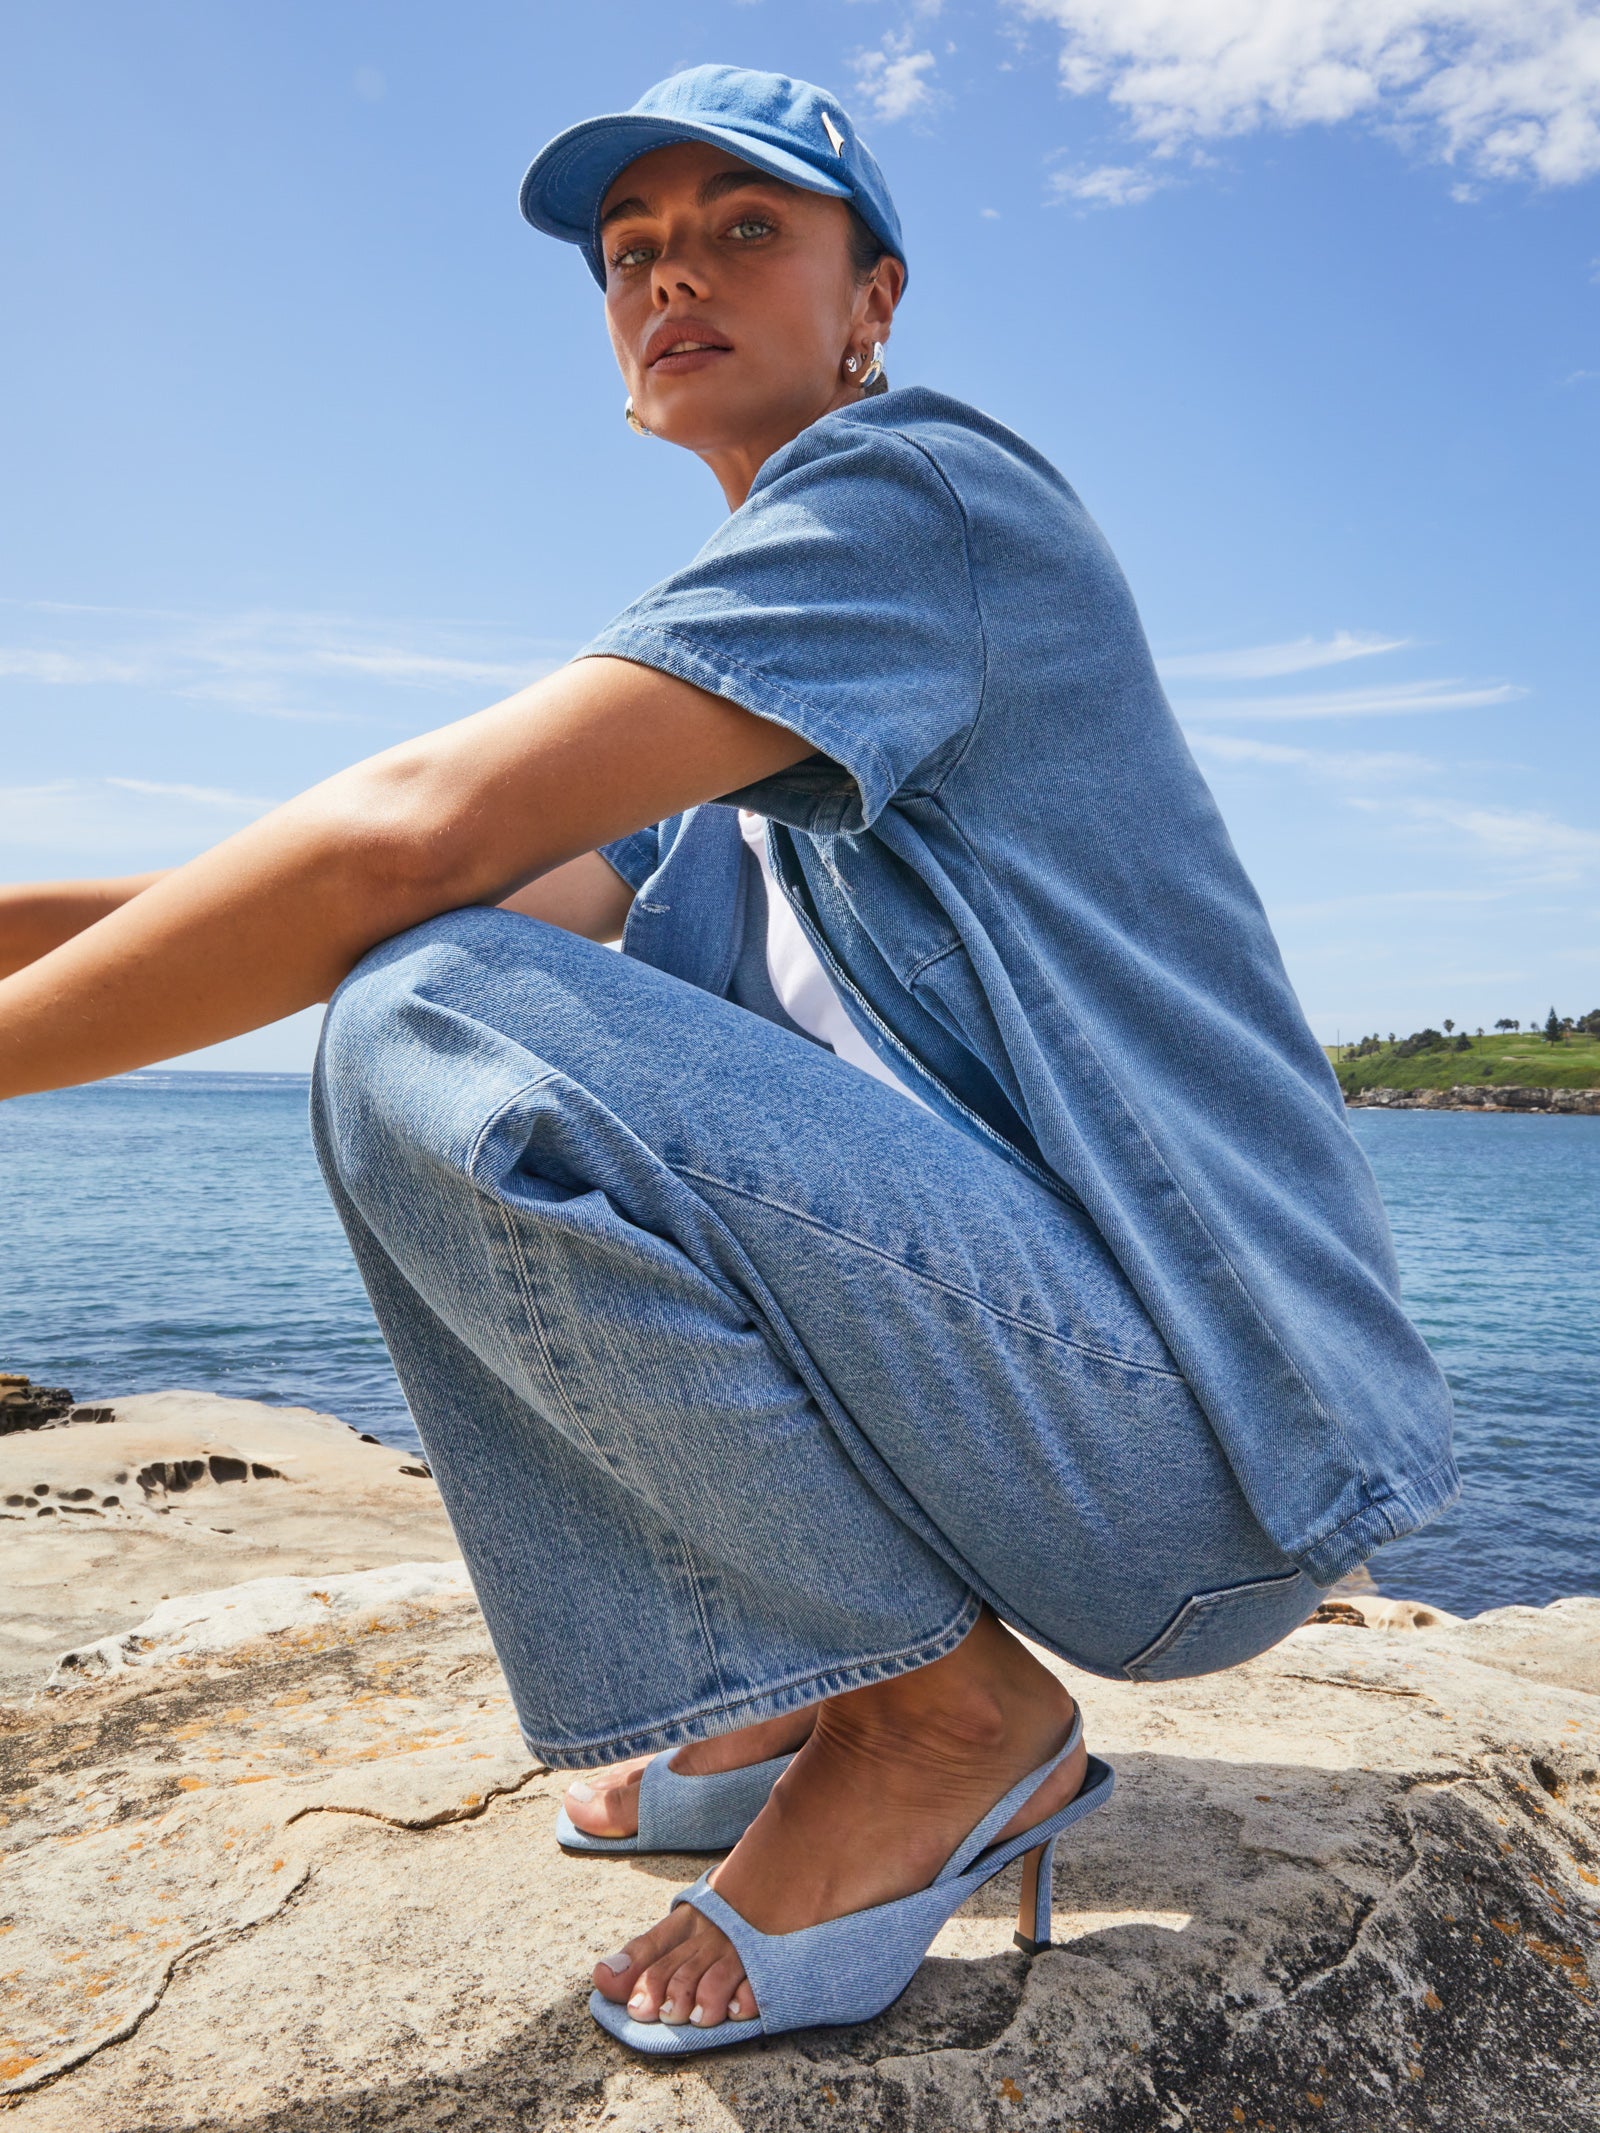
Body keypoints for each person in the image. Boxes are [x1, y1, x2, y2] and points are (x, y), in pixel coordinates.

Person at [0, 65, 1456, 2054]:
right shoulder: (741, 718)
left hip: (1197, 1449)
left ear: (872, 298)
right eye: (628, 255)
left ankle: (941, 1714)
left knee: (423, 1025)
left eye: (741, 228)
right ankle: (781, 1678)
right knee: (429, 996)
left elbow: (408, 861)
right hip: (1088, 1429)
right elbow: (352, 888)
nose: (669, 273)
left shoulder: (915, 503)